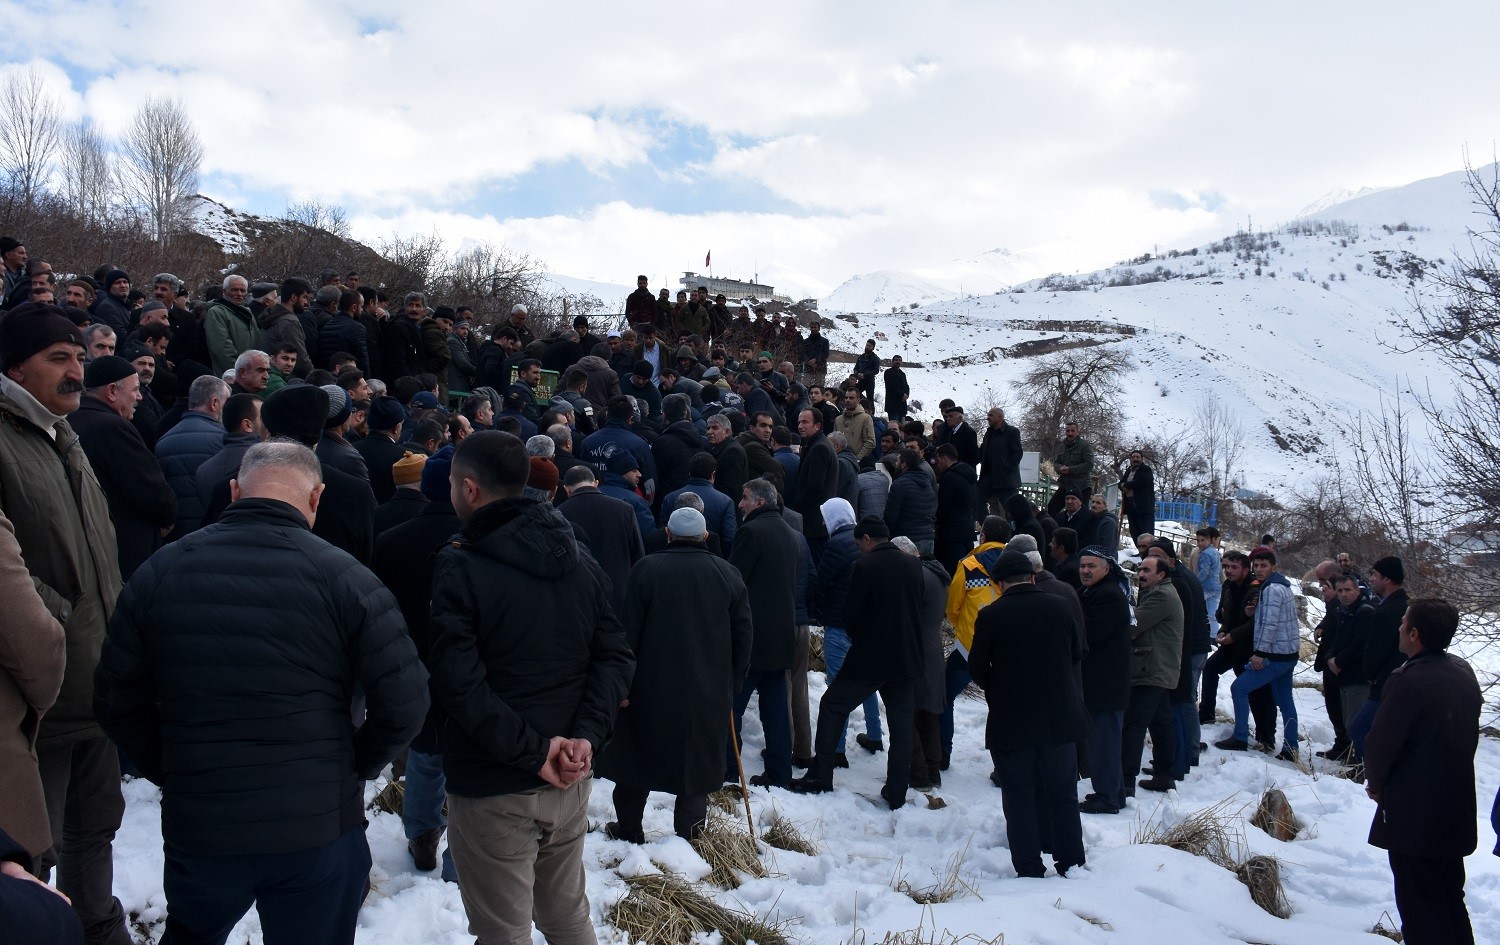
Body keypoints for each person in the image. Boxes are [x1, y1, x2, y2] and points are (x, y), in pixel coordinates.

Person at [94, 441, 428, 945]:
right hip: (315, 825)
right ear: (317, 498)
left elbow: (116, 697)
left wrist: (172, 764)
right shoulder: (348, 578)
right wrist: (354, 762)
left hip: (203, 820)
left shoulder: (161, 570)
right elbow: (405, 702)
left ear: (234, 492)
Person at [428, 431, 634, 945]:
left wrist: (554, 745)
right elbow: (613, 655)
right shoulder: (577, 556)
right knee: (566, 917)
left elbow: (459, 682)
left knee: (506, 933)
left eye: (454, 482)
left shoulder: (462, 564)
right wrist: (579, 740)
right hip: (566, 773)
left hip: (500, 782)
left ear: (469, 489)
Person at [599, 507, 753, 843]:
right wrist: (732, 683)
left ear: (668, 534)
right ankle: (688, 840)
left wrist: (622, 682)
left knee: (635, 762)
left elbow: (628, 632)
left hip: (648, 688)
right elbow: (744, 636)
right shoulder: (727, 574)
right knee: (695, 769)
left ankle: (629, 831)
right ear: (705, 537)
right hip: (706, 691)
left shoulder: (646, 569)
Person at [1364, 598, 1482, 945]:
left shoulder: (1408, 680)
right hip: (1455, 807)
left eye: (1403, 623)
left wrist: (1376, 784)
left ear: (1414, 634)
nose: (1399, 628)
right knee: (1448, 900)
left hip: (1415, 815)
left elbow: (1380, 743)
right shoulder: (1463, 675)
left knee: (1419, 909)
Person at [371, 447, 462, 882]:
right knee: (468, 759)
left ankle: (423, 833)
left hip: (413, 663)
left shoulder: (392, 541)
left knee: (425, 753)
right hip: (470, 666)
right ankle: (460, 857)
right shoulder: (478, 537)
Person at [968, 551, 1087, 875]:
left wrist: (999, 690)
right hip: (1059, 717)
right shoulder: (1061, 607)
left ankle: (1029, 866)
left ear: (1001, 583)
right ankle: (1071, 861)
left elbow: (976, 666)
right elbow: (1077, 652)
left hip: (1012, 721)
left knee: (1018, 795)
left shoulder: (992, 615)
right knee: (1063, 794)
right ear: (1033, 577)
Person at [791, 516, 921, 810]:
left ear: (865, 540)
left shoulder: (863, 566)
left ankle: (821, 775)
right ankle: (897, 790)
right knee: (901, 728)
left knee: (832, 705)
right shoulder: (915, 566)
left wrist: (860, 636)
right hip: (907, 658)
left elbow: (851, 614)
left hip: (870, 657)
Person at [69, 355, 176, 579]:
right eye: (135, 390)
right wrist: (167, 516)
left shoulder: (70, 420)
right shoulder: (112, 426)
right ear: (111, 391)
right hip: (126, 550)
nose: (139, 397)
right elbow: (149, 488)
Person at [726, 479, 801, 788]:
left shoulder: (750, 532)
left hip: (752, 638)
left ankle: (729, 771)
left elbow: (733, 581)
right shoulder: (790, 533)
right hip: (782, 635)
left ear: (758, 502)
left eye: (744, 498)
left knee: (730, 708)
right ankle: (780, 772)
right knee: (776, 711)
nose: (740, 503)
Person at [1214, 547, 1300, 761]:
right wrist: (1257, 610)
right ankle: (1291, 746)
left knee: (1239, 688)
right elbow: (1276, 616)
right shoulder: (1281, 586)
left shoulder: (1271, 589)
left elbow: (1270, 624)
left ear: (1274, 567)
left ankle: (1240, 737)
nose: (1259, 570)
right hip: (1288, 652)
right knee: (1285, 700)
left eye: (1264, 566)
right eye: (1256, 566)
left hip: (1275, 653)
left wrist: (1260, 653)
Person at [942, 515, 1009, 768]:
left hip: (970, 646)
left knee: (946, 696)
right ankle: (1004, 766)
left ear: (982, 537)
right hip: (1008, 648)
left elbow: (953, 606)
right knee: (1004, 706)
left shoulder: (969, 564)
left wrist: (964, 628)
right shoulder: (1018, 564)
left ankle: (943, 754)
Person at [1077, 547, 1132, 814]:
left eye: (1092, 566)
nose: (1085, 570)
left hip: (1105, 683)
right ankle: (1114, 793)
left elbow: (1091, 631)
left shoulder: (1109, 595)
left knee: (1104, 743)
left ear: (1106, 569)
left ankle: (1108, 797)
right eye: (1083, 566)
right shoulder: (1095, 592)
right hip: (1101, 681)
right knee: (1104, 742)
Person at [1124, 555, 1183, 796]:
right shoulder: (1157, 593)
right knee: (1160, 724)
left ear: (1161, 574)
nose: (1141, 574)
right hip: (1158, 667)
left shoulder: (1161, 595)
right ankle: (1163, 775)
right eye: (1140, 569)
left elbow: (1133, 626)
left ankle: (1125, 780)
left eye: (1147, 570)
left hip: (1152, 669)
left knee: (1133, 724)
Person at [558, 464, 645, 615]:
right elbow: (638, 553)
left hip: (577, 595)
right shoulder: (624, 509)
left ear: (567, 489)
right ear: (596, 483)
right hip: (618, 592)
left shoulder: (560, 513)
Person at [1348, 556, 1410, 761]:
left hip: (1384, 681)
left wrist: (1369, 674)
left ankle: (1368, 773)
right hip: (1398, 679)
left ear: (1387, 579)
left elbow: (1376, 650)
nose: (1371, 579)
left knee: (1360, 727)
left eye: (1375, 575)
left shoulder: (1387, 611)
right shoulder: (1405, 604)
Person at [153, 375, 229, 539]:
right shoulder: (224, 438)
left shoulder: (164, 440)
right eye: (226, 402)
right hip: (214, 530)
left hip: (178, 534)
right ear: (215, 403)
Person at [933, 444, 978, 573]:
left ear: (945, 458)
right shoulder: (969, 475)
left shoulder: (949, 477)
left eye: (938, 459)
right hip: (967, 530)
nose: (937, 464)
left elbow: (943, 507)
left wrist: (937, 524)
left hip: (951, 534)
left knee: (950, 571)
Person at [976, 408, 1023, 515]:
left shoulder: (1012, 432)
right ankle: (988, 526)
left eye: (991, 415)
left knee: (1011, 510)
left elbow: (1017, 453)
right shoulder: (988, 433)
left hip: (1005, 479)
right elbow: (982, 451)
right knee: (977, 500)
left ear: (1000, 417)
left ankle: (1013, 531)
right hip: (988, 477)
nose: (988, 418)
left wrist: (1007, 468)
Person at [1117, 449, 1155, 538]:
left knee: (1146, 533)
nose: (1135, 459)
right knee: (1134, 531)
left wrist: (1125, 485)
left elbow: (1141, 482)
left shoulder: (1146, 470)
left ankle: (1148, 551)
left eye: (1137, 457)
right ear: (1130, 459)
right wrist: (1122, 485)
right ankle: (1139, 550)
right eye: (1133, 457)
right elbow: (1120, 483)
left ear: (1141, 459)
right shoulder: (1129, 470)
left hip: (1144, 507)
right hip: (1131, 506)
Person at [882, 355, 908, 420]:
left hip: (902, 406)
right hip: (893, 405)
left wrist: (907, 395)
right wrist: (902, 395)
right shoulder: (888, 372)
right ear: (893, 361)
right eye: (896, 360)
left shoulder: (902, 374)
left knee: (902, 427)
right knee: (894, 426)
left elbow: (906, 386)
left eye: (899, 360)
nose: (898, 362)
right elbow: (890, 387)